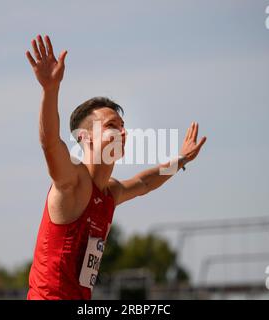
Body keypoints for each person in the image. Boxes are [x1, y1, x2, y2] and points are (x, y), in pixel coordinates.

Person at [25, 35, 207, 300]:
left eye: (123, 127)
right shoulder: (72, 181)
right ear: (85, 137)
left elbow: (145, 183)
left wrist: (181, 160)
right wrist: (50, 89)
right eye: (112, 126)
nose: (122, 132)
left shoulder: (110, 192)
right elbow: (50, 142)